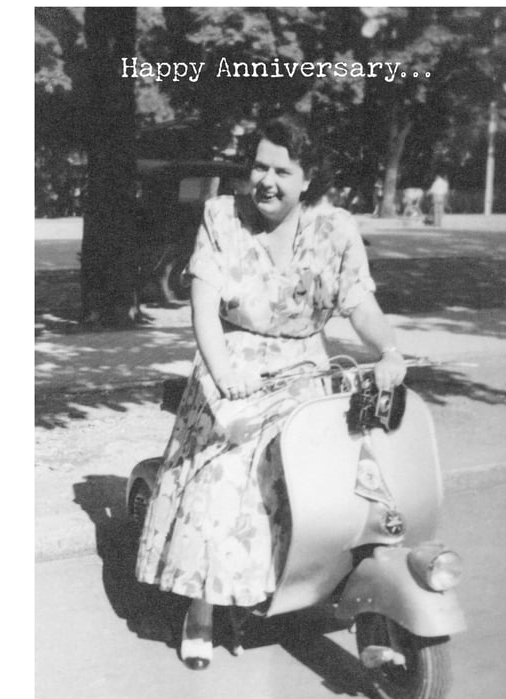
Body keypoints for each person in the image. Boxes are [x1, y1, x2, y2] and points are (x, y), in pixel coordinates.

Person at [135, 116, 407, 670]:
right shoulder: (222, 218)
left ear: (307, 179)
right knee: (224, 480)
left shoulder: (335, 229)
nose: (266, 180)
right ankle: (201, 609)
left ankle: (369, 606)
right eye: (260, 167)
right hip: (233, 371)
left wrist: (390, 350)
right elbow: (203, 310)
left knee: (357, 482)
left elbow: (359, 304)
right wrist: (222, 375)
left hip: (306, 375)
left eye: (282, 171)